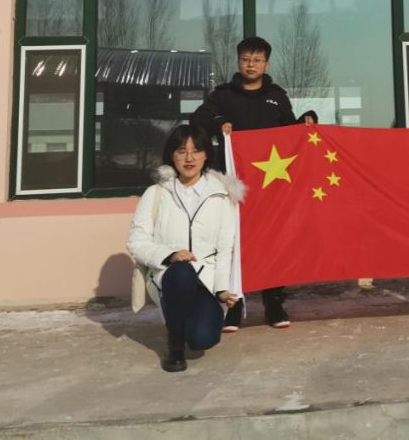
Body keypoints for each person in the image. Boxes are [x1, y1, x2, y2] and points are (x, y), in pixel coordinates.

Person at [191, 35, 316, 330]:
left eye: (257, 60)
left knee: (273, 242)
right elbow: (197, 120)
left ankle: (274, 303)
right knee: (233, 244)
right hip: (233, 186)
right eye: (246, 59)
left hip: (272, 188)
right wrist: (218, 122)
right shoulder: (222, 96)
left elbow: (290, 132)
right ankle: (234, 304)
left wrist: (307, 119)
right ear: (239, 62)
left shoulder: (277, 96)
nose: (251, 65)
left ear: (266, 64)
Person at [126, 124, 244, 372]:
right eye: (182, 151)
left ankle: (187, 325)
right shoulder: (156, 193)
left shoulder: (222, 196)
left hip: (206, 279)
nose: (189, 158)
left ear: (206, 155)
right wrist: (169, 255)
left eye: (196, 150)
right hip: (169, 277)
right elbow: (136, 242)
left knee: (203, 339)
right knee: (181, 271)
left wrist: (222, 289)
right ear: (172, 155)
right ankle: (175, 345)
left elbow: (226, 248)